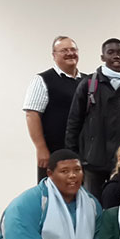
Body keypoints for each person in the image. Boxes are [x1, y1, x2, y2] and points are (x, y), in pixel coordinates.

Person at [66, 38, 120, 199]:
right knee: (92, 204)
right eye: (110, 52)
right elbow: (74, 122)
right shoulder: (89, 84)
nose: (116, 56)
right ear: (102, 57)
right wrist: (74, 156)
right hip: (92, 162)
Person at [24, 36, 86, 182]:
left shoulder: (88, 81)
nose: (70, 53)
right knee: (52, 191)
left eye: (73, 49)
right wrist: (41, 148)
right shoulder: (43, 80)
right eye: (64, 50)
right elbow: (32, 114)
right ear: (54, 55)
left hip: (82, 153)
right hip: (53, 152)